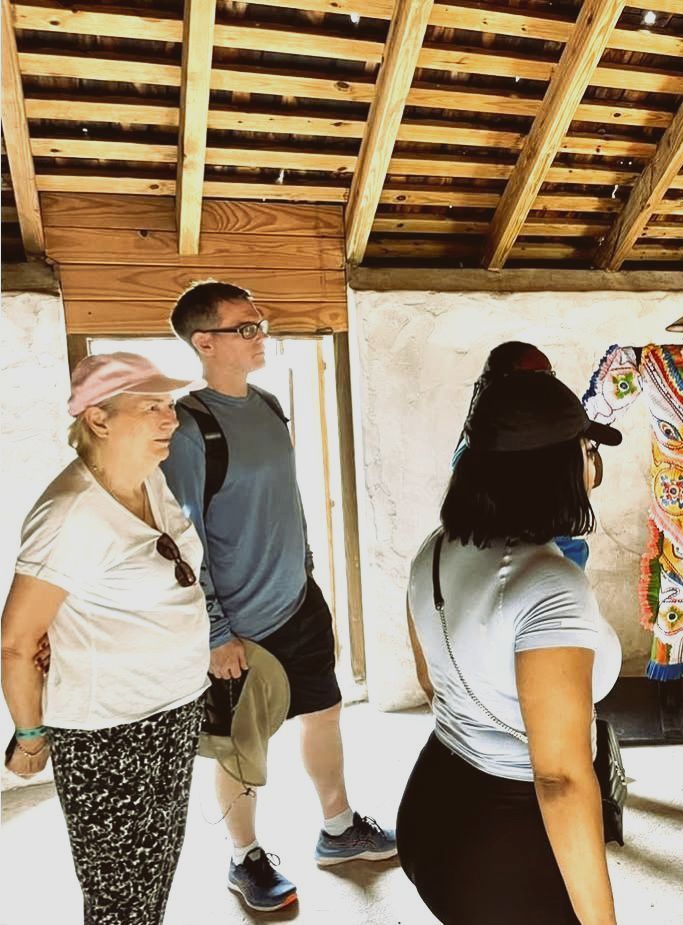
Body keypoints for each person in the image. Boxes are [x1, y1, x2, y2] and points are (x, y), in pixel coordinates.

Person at [160, 281, 395, 913]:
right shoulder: (190, 428)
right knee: (241, 746)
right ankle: (245, 858)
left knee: (324, 713)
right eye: (245, 327)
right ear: (204, 342)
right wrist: (213, 631)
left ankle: (339, 829)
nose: (260, 334)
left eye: (260, 323)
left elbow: (281, 502)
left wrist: (309, 571)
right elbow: (181, 539)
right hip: (237, 625)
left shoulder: (265, 404)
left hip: (299, 601)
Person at [398, 370, 623, 925]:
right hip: (507, 837)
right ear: (559, 466)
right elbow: (561, 780)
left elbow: (432, 682)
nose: (593, 462)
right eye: (588, 447)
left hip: (436, 801)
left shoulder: (436, 547)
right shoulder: (549, 585)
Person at [1, 353, 210, 924]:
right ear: (98, 419)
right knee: (120, 900)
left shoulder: (151, 478)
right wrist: (31, 738)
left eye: (169, 405)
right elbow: (18, 641)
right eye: (151, 407)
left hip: (174, 710)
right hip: (108, 734)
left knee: (157, 873)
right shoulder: (69, 514)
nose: (170, 419)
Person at [451, 341, 599, 569]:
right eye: (537, 377)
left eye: (548, 375)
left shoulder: (496, 439)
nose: (546, 385)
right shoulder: (491, 450)